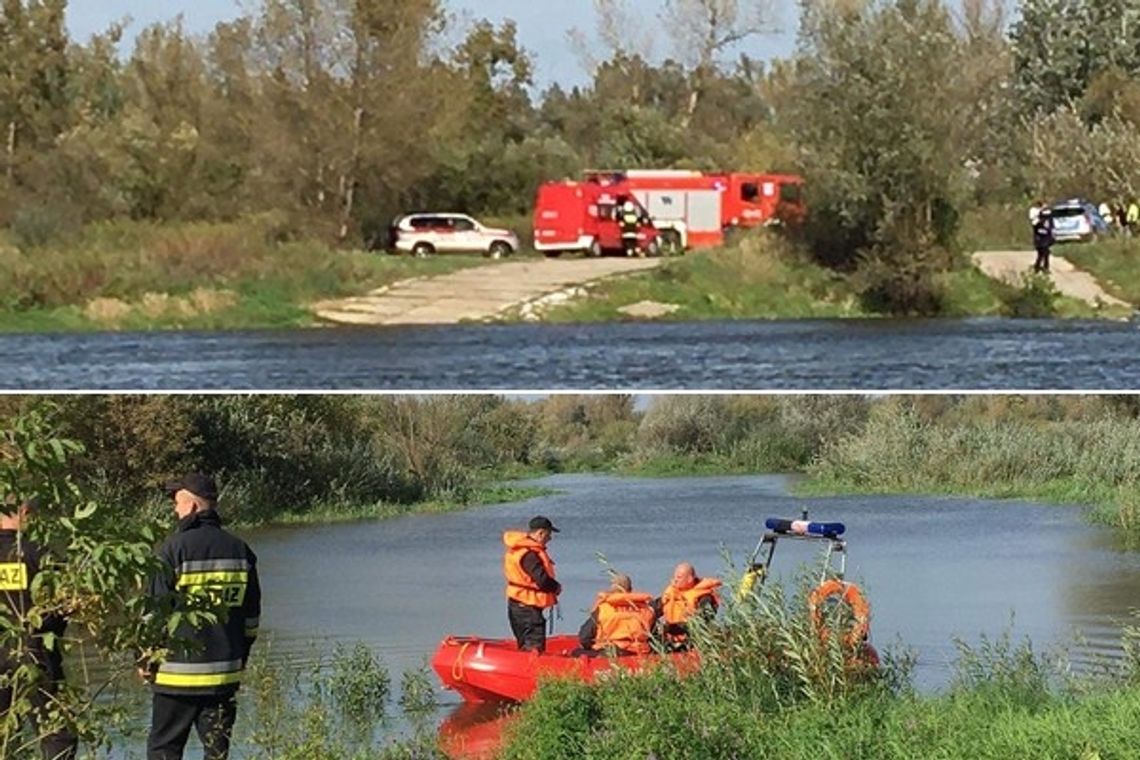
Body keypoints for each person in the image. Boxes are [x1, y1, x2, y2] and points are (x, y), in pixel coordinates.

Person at [144, 473, 261, 760]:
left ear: (193, 506)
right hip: (224, 676)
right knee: (217, 752)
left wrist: (146, 658)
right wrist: (239, 657)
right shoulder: (240, 550)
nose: (174, 508)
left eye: (177, 501)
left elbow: (154, 613)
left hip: (176, 678)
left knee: (164, 750)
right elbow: (252, 618)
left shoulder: (173, 549)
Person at [0, 496, 77, 760]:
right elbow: (72, 601)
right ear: (22, 511)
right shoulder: (38, 553)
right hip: (37, 656)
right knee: (58, 734)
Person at [502, 515, 561, 653]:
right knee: (534, 647)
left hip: (516, 604)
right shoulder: (530, 554)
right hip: (528, 608)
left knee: (524, 645)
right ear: (540, 533)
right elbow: (542, 580)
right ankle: (533, 673)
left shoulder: (518, 550)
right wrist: (556, 587)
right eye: (548, 534)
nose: (550, 538)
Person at [577, 573, 656, 656]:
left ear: (612, 588)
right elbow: (654, 637)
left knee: (577, 652)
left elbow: (584, 638)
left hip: (611, 653)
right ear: (630, 590)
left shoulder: (603, 608)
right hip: (638, 652)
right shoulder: (646, 609)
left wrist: (591, 646)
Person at [655, 563, 722, 651]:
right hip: (670, 640)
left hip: (693, 642)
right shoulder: (670, 594)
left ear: (689, 579)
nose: (675, 580)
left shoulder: (704, 597)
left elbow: (704, 618)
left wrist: (679, 627)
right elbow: (653, 610)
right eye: (674, 577)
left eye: (679, 577)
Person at [1032, 206, 1054, 274]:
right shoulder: (1038, 222)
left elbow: (1051, 231)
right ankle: (1042, 268)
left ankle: (1039, 267)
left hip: (1045, 241)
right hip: (1040, 241)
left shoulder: (1049, 222)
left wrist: (1052, 238)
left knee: (1043, 254)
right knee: (1043, 254)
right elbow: (1037, 230)